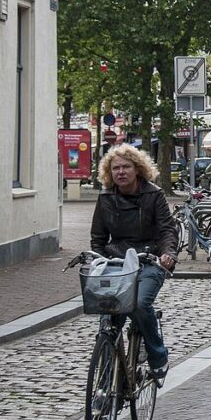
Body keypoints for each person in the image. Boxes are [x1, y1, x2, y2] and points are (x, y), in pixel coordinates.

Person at [90, 145, 178, 380]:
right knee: (108, 319)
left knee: (139, 304)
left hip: (148, 260)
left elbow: (167, 229)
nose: (120, 172)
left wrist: (167, 254)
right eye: (115, 167)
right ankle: (105, 387)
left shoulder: (153, 194)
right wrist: (98, 262)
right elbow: (98, 238)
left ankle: (158, 356)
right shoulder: (106, 196)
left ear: (137, 169)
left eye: (126, 166)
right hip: (117, 262)